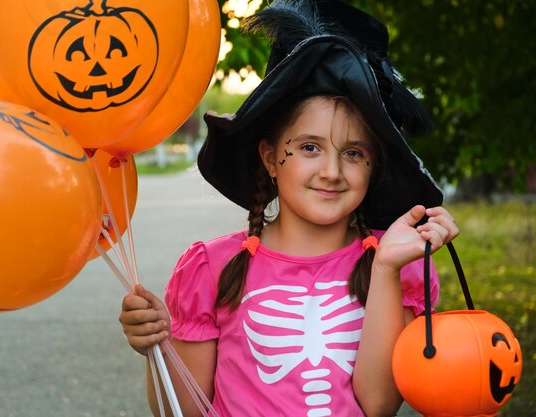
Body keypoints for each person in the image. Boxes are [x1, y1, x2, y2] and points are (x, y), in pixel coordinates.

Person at [120, 1, 459, 416]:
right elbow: (181, 411)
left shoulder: (396, 263)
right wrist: (158, 349)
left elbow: (379, 405)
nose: (331, 171)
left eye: (353, 152)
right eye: (309, 148)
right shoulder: (212, 269)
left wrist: (386, 269)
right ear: (269, 157)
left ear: (374, 166)